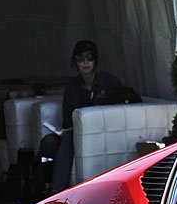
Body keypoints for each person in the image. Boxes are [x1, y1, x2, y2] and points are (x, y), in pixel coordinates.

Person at [43, 40, 122, 194]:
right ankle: (37, 183)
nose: (85, 63)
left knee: (67, 141)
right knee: (48, 143)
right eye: (80, 59)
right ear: (75, 62)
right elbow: (66, 120)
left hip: (103, 134)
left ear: (96, 61)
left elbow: (117, 113)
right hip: (75, 134)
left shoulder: (110, 82)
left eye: (90, 58)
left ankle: (56, 190)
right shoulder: (72, 87)